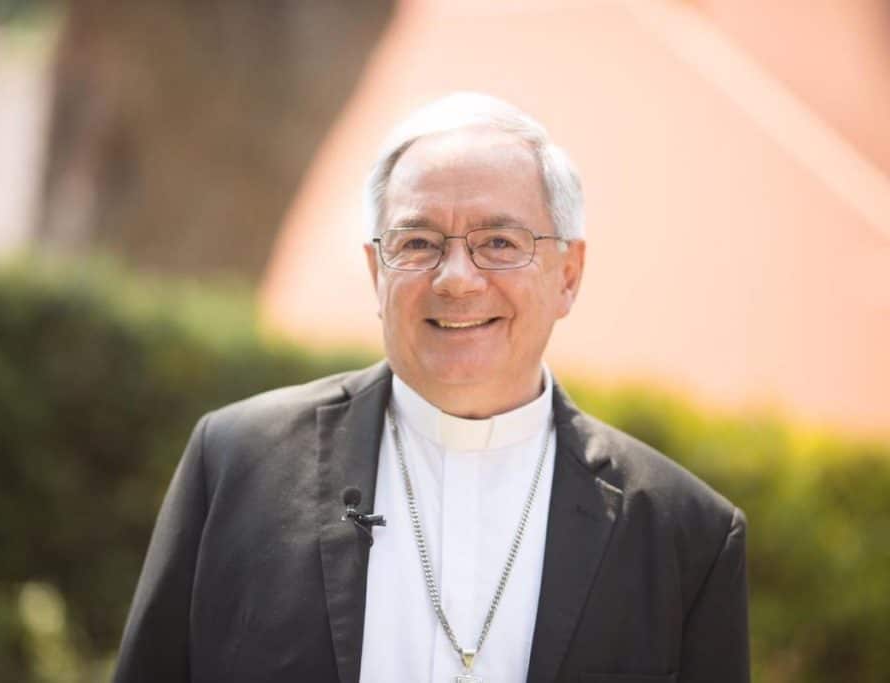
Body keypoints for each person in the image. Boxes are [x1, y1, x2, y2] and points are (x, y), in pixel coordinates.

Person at [113, 93, 749, 683]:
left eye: (499, 242)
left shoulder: (683, 534)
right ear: (375, 271)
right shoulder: (235, 462)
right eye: (417, 243)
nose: (456, 279)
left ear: (568, 275)